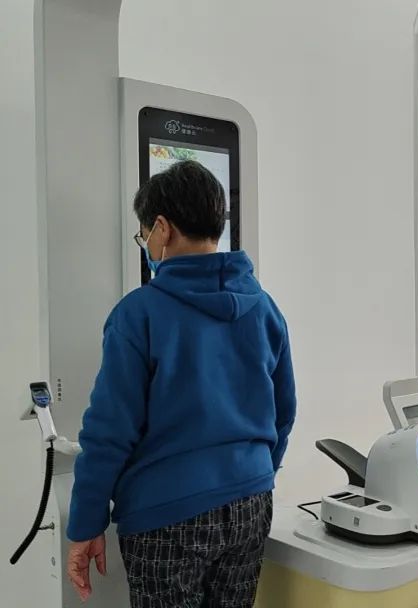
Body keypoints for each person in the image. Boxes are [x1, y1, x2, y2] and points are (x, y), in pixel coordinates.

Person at [65, 160, 296, 607]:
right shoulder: (264, 308)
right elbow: (284, 411)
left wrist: (86, 523)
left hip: (166, 514)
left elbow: (109, 431)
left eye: (144, 235)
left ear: (162, 228)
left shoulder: (138, 314)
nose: (147, 245)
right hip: (251, 502)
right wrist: (252, 473)